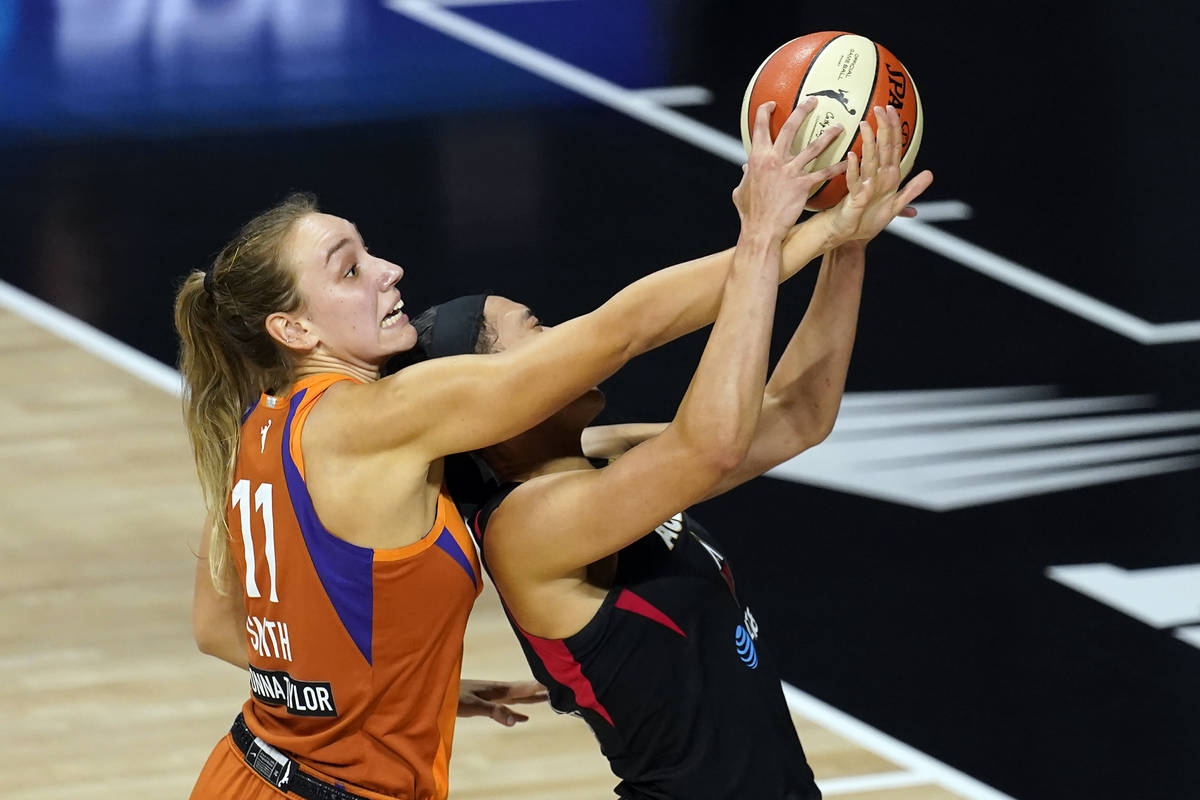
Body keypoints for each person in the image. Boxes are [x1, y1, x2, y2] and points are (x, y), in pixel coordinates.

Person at [176, 97, 879, 800]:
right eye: (349, 270)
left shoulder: (260, 427)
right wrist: (782, 234)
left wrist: (385, 688)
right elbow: (624, 333)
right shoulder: (375, 418)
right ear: (294, 331)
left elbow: (219, 626)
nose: (389, 270)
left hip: (251, 770)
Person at [400, 106, 930, 799]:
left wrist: (847, 243)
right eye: (539, 332)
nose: (567, 339)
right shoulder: (527, 528)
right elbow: (708, 447)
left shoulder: (601, 464)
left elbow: (797, 416)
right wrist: (763, 238)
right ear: (493, 403)